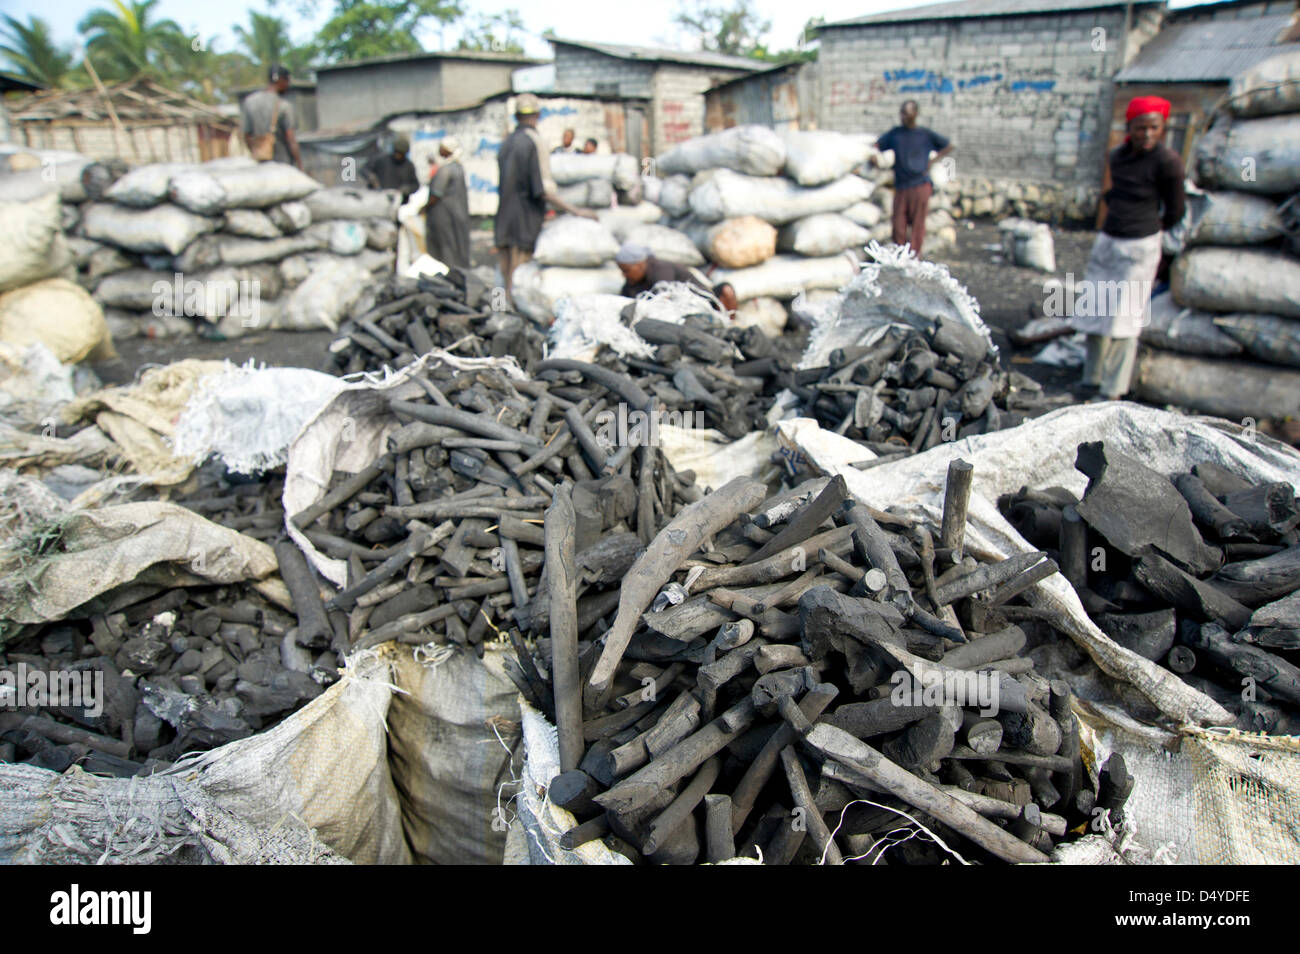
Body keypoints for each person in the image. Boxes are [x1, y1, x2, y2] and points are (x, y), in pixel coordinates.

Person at [1072, 95, 1186, 401]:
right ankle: (1091, 378)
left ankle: (1112, 389)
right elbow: (1113, 193)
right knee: (1095, 309)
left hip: (1140, 244)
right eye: (1140, 128)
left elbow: (1176, 210)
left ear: (1162, 128)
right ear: (1130, 127)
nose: (1146, 134)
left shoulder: (1168, 163)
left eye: (1153, 127)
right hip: (1109, 240)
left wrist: (1151, 231)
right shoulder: (1118, 157)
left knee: (1125, 316)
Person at [495, 93, 597, 301]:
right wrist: (576, 211)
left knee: (504, 275)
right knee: (520, 279)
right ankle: (514, 323)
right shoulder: (535, 142)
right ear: (538, 115)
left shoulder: (506, 143)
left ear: (516, 116)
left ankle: (499, 316)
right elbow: (543, 189)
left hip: (503, 218)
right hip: (524, 221)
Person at [872, 100, 951, 257]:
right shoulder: (895, 134)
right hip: (901, 186)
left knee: (917, 225)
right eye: (901, 113)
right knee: (898, 225)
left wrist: (932, 161)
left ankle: (914, 257)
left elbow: (948, 145)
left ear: (915, 114)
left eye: (906, 113)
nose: (903, 117)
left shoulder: (924, 135)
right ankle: (900, 256)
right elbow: (877, 146)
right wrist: (875, 158)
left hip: (920, 185)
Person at [241, 65, 303, 169]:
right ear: (281, 80)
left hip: (261, 165)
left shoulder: (249, 102)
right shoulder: (284, 106)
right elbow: (291, 138)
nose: (288, 85)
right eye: (287, 81)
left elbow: (246, 135)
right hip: (283, 165)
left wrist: (257, 151)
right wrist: (300, 164)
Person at [422, 137, 471, 269]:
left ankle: (449, 273)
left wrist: (423, 208)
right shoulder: (457, 167)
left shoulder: (446, 170)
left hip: (444, 215)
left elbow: (436, 194)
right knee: (456, 244)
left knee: (446, 246)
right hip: (456, 213)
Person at [615, 243, 706, 298]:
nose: (624, 275)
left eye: (626, 270)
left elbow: (664, 300)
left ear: (640, 264)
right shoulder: (633, 282)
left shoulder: (661, 270)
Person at [363, 134, 420, 201]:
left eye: (400, 154)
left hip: (397, 201)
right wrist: (371, 177)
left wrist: (407, 189)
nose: (397, 155)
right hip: (377, 198)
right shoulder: (382, 160)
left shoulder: (409, 166)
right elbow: (364, 169)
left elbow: (415, 185)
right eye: (396, 152)